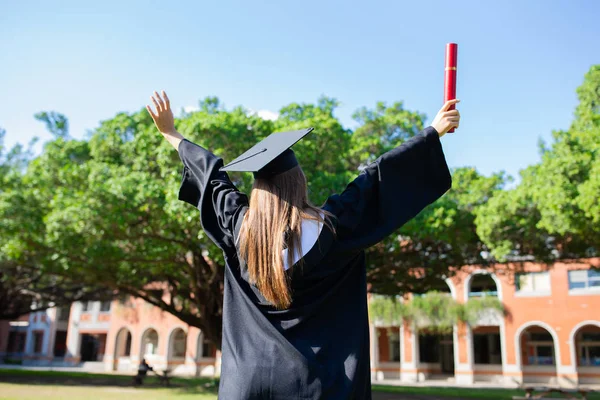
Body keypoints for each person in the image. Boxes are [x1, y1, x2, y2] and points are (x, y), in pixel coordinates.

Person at [146, 91, 460, 399]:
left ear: (259, 189)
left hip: (248, 385)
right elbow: (378, 178)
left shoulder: (238, 228)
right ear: (300, 182)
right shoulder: (336, 227)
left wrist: (171, 133)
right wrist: (433, 132)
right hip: (317, 386)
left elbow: (212, 177)